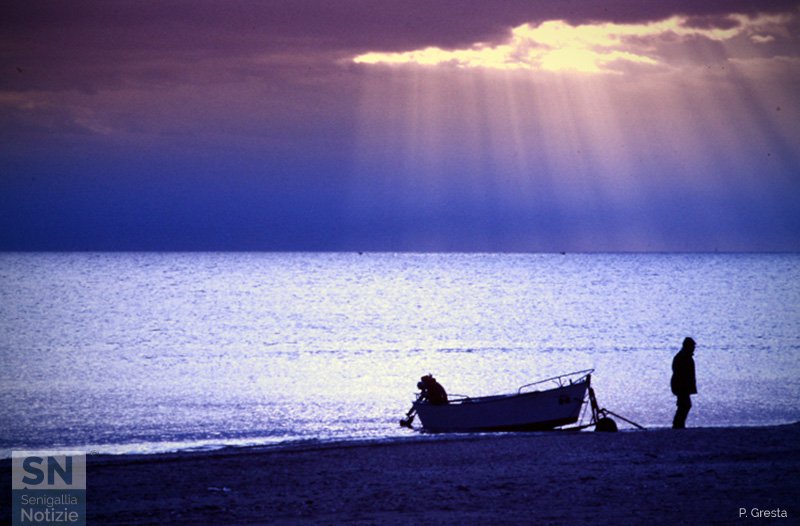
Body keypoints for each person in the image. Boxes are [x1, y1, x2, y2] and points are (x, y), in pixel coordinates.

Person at [671, 337, 697, 429]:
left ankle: (679, 424)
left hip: (682, 385)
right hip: (681, 386)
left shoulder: (686, 356)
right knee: (684, 405)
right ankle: (677, 424)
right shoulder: (682, 357)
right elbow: (679, 373)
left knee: (684, 405)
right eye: (692, 346)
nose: (694, 348)